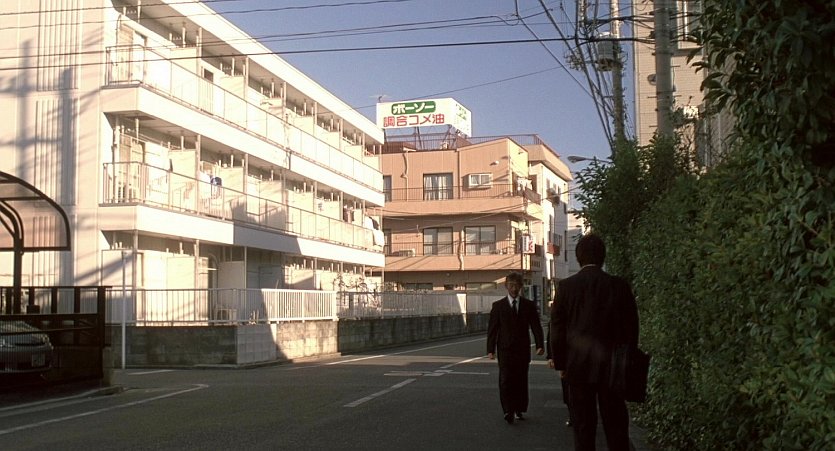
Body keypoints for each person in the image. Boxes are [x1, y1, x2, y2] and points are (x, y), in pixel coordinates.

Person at [550, 234, 639, 451]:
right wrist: (628, 359)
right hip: (613, 365)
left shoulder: (566, 287)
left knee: (583, 425)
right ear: (603, 256)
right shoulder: (619, 286)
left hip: (577, 365)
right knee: (616, 423)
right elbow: (631, 326)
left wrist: (560, 363)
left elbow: (557, 328)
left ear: (578, 257)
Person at [486, 272, 545, 424]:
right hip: (505, 349)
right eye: (511, 285)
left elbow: (536, 327)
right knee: (505, 379)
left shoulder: (528, 305)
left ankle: (519, 408)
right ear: (506, 286)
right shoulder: (498, 306)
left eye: (517, 285)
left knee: (520, 379)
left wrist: (540, 345)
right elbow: (493, 329)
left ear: (521, 286)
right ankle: (508, 410)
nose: (514, 288)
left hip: (522, 349)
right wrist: (490, 349)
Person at [546, 320, 572, 427]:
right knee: (567, 386)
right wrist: (552, 357)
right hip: (566, 354)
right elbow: (553, 333)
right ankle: (572, 412)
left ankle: (575, 413)